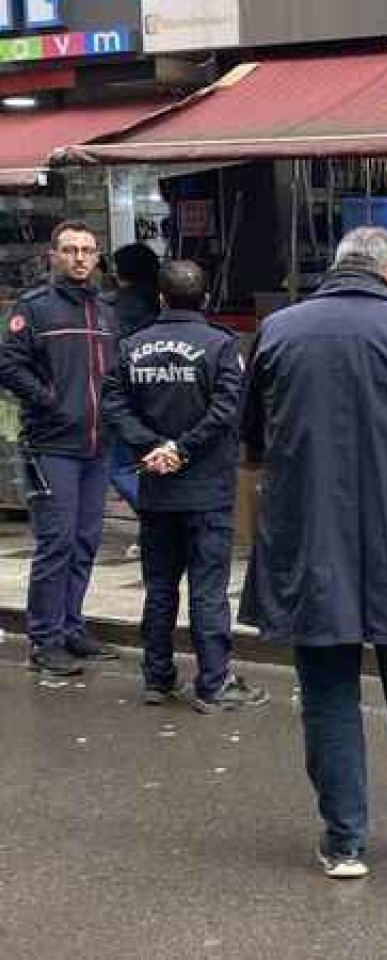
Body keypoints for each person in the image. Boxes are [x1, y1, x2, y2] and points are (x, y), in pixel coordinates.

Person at [239, 227, 387, 881]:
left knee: (325, 690)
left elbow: (253, 434)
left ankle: (343, 840)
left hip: (307, 534)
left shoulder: (279, 330)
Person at [101, 260, 267, 712]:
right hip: (206, 490)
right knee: (208, 589)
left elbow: (113, 404)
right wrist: (183, 448)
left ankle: (157, 678)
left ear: (161, 298)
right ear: (206, 299)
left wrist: (153, 447)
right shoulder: (221, 345)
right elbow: (228, 410)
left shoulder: (132, 346)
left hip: (156, 488)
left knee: (159, 588)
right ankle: (213, 682)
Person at [0, 221, 119, 677]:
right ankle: (45, 638)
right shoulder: (34, 309)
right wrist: (47, 399)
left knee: (86, 540)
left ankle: (72, 626)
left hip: (98, 444)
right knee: (57, 542)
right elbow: (8, 365)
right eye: (70, 250)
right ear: (54, 255)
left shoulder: (106, 312)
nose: (80, 259)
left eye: (88, 251)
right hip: (52, 445)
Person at [104, 243, 162, 539]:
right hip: (155, 392)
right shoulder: (158, 302)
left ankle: (157, 519)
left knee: (121, 468)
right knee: (151, 461)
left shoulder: (113, 308)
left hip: (122, 397)